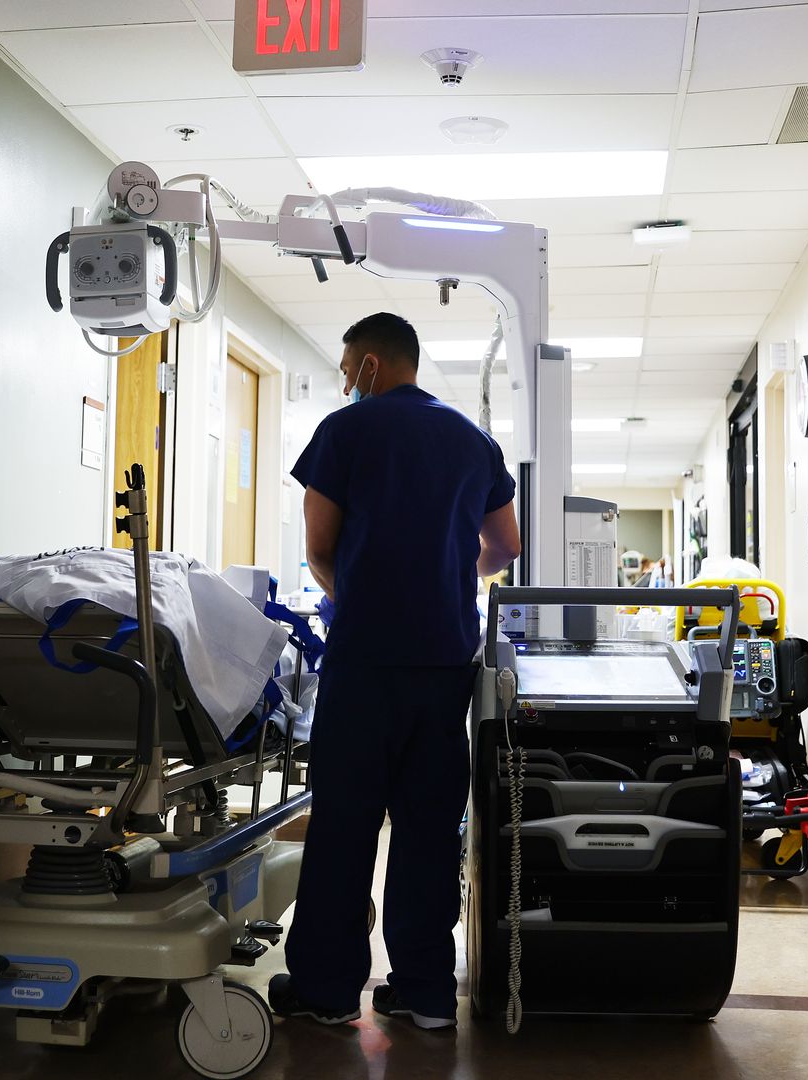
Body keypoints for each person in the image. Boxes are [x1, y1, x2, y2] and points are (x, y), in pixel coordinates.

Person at [268, 312, 521, 1032]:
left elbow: (320, 549)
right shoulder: (474, 442)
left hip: (365, 661)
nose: (346, 380)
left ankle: (325, 989)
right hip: (445, 662)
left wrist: (363, 589)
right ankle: (425, 992)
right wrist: (446, 578)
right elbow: (505, 544)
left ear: (374, 364)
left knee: (345, 824)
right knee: (430, 827)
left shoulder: (344, 433)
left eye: (350, 367)